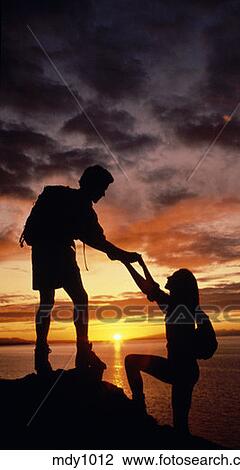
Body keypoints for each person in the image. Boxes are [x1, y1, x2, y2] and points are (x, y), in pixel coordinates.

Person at [20, 165, 140, 375]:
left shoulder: (63, 197)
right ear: (92, 184)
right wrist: (125, 255)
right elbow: (100, 242)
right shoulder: (82, 207)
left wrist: (121, 254)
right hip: (59, 253)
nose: (103, 194)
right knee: (79, 299)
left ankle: (42, 356)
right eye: (102, 188)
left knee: (47, 302)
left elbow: (97, 241)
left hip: (42, 251)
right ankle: (82, 354)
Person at [124, 257, 200, 435]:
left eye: (172, 277)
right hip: (187, 370)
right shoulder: (183, 306)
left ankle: (139, 406)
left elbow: (148, 288)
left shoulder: (175, 306)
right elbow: (151, 288)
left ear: (178, 285)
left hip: (180, 370)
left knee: (131, 361)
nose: (168, 278)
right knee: (180, 423)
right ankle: (139, 406)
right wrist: (139, 265)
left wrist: (127, 264)